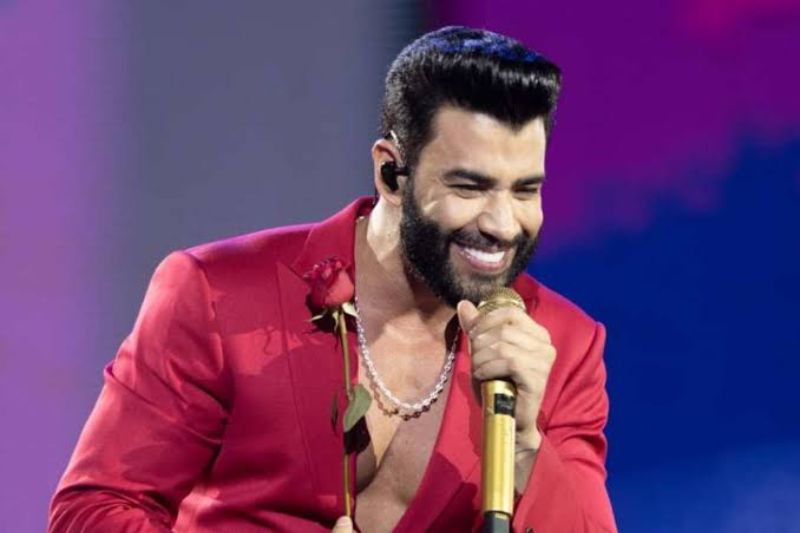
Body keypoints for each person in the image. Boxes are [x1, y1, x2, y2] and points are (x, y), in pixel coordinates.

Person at [49, 26, 616, 532]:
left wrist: (527, 446)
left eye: (525, 191)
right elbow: (92, 510)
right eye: (469, 187)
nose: (502, 224)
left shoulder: (562, 346)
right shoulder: (218, 295)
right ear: (391, 173)